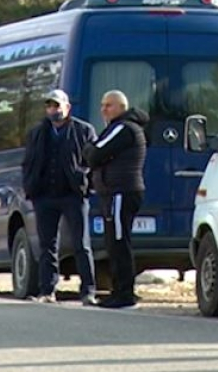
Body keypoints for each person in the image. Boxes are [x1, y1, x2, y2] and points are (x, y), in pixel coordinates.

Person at [22, 89, 98, 306]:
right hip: (45, 195)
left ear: (67, 107)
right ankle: (47, 290)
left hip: (73, 195)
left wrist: (85, 181)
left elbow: (93, 160)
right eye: (49, 106)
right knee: (47, 246)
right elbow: (28, 162)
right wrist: (30, 185)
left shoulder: (83, 130)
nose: (53, 111)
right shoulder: (37, 133)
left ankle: (88, 291)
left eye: (57, 106)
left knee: (81, 244)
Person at [84, 90, 148, 308]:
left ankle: (124, 294)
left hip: (121, 191)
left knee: (119, 242)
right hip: (114, 192)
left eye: (109, 105)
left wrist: (93, 153)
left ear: (122, 107)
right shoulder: (116, 128)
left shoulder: (123, 128)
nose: (103, 109)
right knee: (113, 242)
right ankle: (117, 290)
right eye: (102, 105)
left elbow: (93, 153)